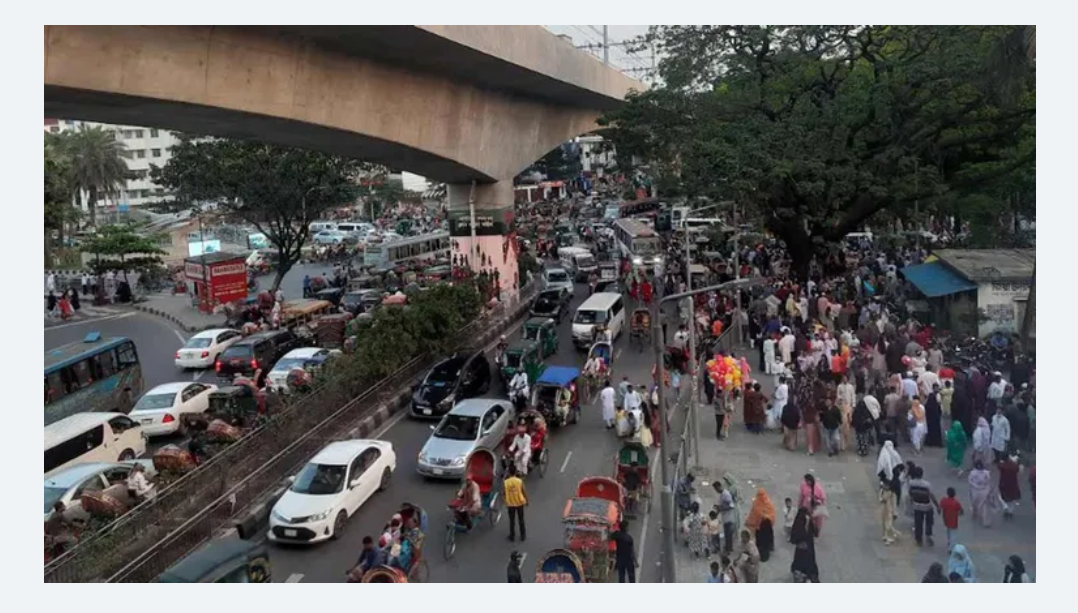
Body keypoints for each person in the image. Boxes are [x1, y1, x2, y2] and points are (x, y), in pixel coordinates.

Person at [907, 465, 940, 547]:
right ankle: (928, 535)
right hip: (927, 506)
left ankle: (919, 540)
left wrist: (912, 501)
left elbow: (910, 493)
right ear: (922, 474)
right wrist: (937, 506)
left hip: (917, 505)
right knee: (929, 521)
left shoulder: (911, 483)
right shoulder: (927, 484)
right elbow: (931, 496)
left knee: (918, 523)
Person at [744, 488, 776, 562]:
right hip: (767, 526)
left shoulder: (756, 503)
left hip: (760, 527)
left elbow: (753, 514)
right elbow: (772, 514)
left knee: (761, 541)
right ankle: (766, 553)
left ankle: (761, 555)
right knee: (766, 540)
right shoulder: (768, 502)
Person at [789, 508, 819, 582]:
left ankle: (800, 574)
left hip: (801, 545)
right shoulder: (808, 519)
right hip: (809, 545)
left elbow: (794, 533)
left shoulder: (799, 520)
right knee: (809, 560)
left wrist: (798, 541)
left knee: (800, 560)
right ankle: (810, 574)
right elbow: (815, 532)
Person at [967, 460, 996, 528]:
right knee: (979, 504)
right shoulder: (976, 473)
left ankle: (983, 519)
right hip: (979, 490)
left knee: (981, 504)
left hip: (979, 490)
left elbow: (988, 481)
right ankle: (978, 515)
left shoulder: (983, 473)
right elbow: (970, 480)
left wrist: (977, 485)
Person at [503, 464, 528, 542]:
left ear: (509, 473)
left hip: (510, 504)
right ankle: (523, 535)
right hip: (520, 503)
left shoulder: (506, 482)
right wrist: (527, 500)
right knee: (521, 520)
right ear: (515, 472)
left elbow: (504, 493)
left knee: (512, 520)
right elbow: (524, 491)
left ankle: (512, 536)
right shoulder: (519, 481)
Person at [878, 473, 901, 545]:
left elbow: (894, 503)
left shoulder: (892, 494)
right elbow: (880, 498)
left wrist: (895, 512)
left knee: (889, 523)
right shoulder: (882, 491)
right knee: (884, 523)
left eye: (886, 485)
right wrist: (881, 499)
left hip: (889, 510)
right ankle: (885, 535)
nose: (885, 486)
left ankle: (890, 538)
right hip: (884, 509)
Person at [940, 486, 964, 552]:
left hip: (946, 519)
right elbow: (961, 511)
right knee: (954, 534)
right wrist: (959, 514)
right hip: (953, 520)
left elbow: (940, 507)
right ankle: (951, 548)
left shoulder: (944, 500)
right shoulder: (956, 503)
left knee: (948, 531)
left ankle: (949, 541)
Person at [998, 454, 1022, 518]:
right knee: (1013, 498)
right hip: (1013, 483)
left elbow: (999, 466)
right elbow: (1018, 469)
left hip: (1003, 483)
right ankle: (1010, 511)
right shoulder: (1014, 465)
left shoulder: (1002, 465)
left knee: (1001, 496)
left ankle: (1005, 506)